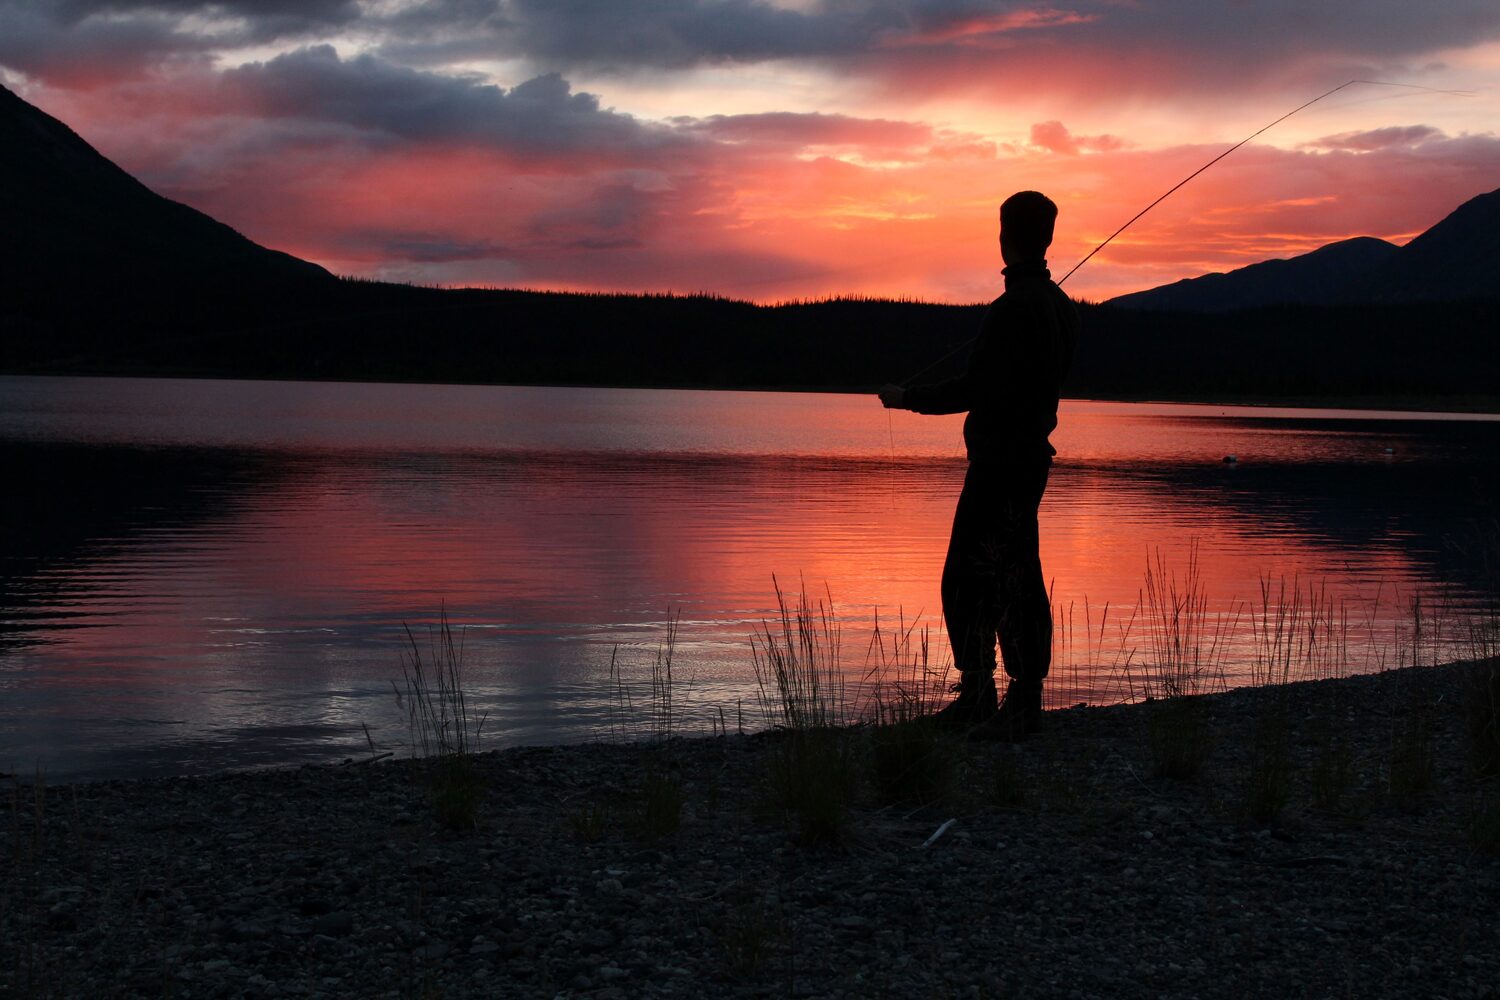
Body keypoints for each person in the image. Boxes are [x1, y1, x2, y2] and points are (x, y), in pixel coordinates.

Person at [879, 190, 1079, 739]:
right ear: (1048, 236)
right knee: (1018, 572)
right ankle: (1019, 697)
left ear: (1004, 236)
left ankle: (982, 696)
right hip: (1031, 460)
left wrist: (906, 397)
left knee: (969, 576)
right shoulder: (1059, 307)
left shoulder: (1013, 308)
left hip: (1000, 462)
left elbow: (973, 387)